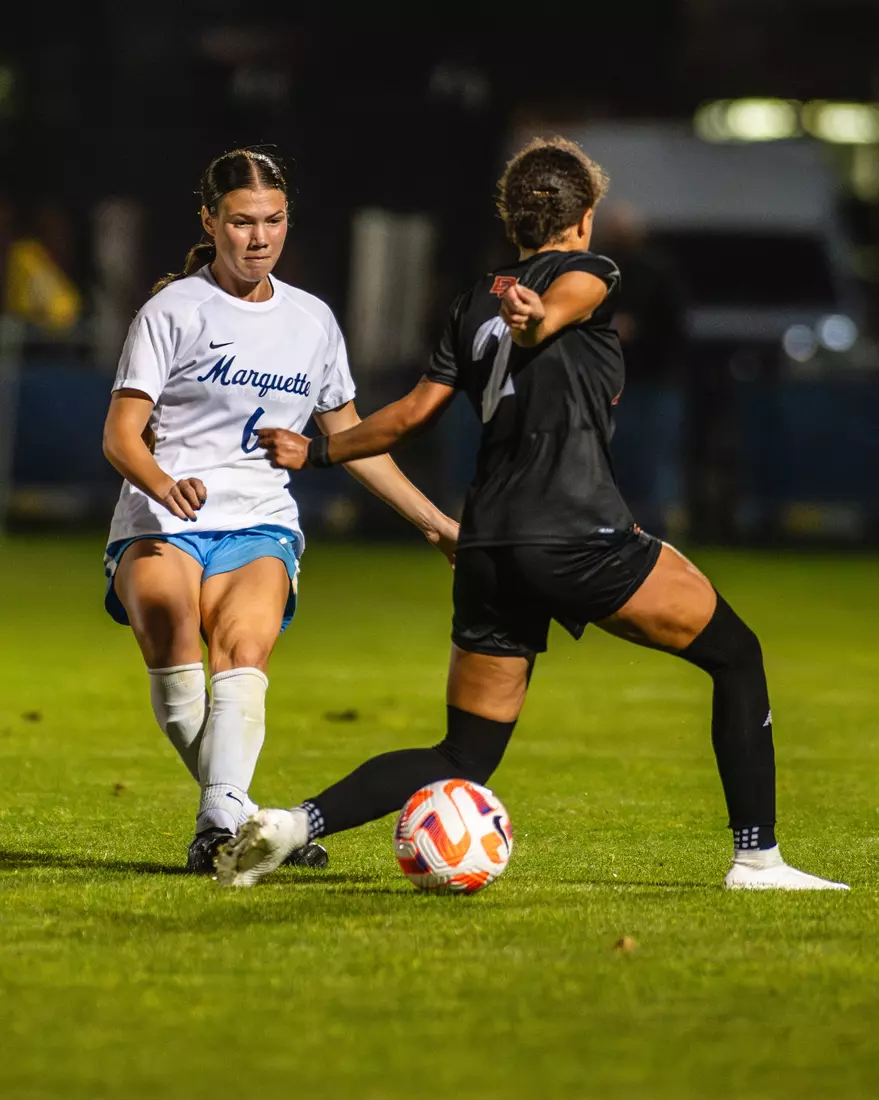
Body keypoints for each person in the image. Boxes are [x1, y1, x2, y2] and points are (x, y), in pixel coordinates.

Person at [216, 137, 846, 892]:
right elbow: (563, 305)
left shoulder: (471, 302)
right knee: (736, 656)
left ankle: (292, 825)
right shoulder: (590, 272)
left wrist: (321, 452)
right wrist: (536, 319)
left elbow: (413, 413)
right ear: (582, 218)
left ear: (511, 219)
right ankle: (757, 858)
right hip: (578, 536)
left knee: (464, 756)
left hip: (488, 546)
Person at [101, 148, 458, 873]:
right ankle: (247, 821)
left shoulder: (312, 322)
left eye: (273, 221)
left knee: (242, 652)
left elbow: (351, 442)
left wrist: (434, 521)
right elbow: (119, 436)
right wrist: (164, 483)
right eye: (240, 222)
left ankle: (216, 831)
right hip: (161, 520)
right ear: (210, 221)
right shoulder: (174, 310)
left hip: (259, 519)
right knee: (174, 646)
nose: (258, 237)